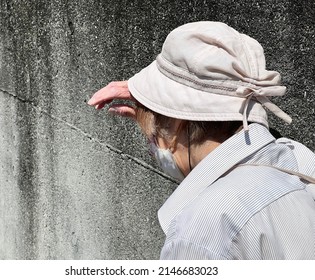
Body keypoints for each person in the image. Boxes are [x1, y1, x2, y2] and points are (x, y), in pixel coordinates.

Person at [88, 21, 315, 259]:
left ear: (178, 124)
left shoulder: (200, 235)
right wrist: (157, 114)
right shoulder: (298, 160)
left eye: (153, 137)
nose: (153, 148)